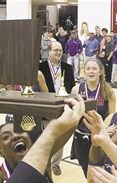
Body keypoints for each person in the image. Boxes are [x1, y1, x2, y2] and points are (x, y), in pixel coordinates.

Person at [70, 57, 116, 183]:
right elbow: (72, 113)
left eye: (94, 68)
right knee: (87, 174)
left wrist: (101, 129)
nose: (90, 71)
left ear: (100, 72)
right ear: (84, 71)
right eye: (87, 68)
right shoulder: (76, 89)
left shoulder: (108, 91)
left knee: (95, 177)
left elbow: (112, 115)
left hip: (98, 140)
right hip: (81, 138)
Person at [39, 41, 76, 175]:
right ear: (48, 51)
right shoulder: (40, 67)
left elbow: (72, 87)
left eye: (60, 50)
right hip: (46, 108)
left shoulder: (68, 67)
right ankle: (44, 163)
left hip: (62, 107)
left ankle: (56, 163)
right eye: (55, 50)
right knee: (45, 137)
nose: (58, 53)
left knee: (59, 137)